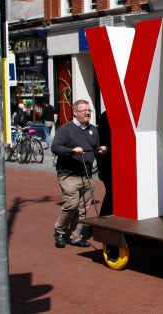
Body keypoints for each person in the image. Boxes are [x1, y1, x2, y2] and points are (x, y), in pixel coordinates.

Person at [51, 99, 107, 248]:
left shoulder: (93, 130)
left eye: (89, 110)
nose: (87, 113)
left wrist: (100, 150)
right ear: (75, 113)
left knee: (82, 208)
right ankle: (60, 231)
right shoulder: (66, 129)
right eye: (84, 111)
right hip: (68, 174)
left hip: (86, 174)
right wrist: (71, 150)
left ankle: (76, 236)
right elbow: (55, 147)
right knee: (72, 204)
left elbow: (94, 147)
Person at [96, 111, 113, 216]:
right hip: (108, 166)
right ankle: (104, 217)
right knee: (111, 193)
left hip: (104, 166)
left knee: (110, 193)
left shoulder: (100, 126)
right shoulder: (106, 126)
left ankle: (105, 217)